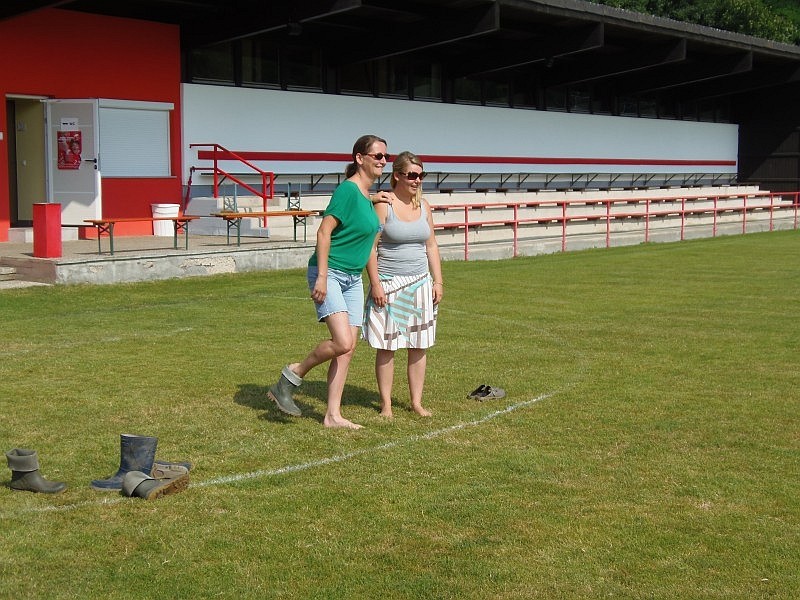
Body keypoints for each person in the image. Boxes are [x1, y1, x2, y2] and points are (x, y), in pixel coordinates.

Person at [268, 134, 388, 429]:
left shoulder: (365, 196)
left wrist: (375, 282)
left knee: (348, 350)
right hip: (331, 272)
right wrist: (321, 276)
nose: (383, 161)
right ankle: (292, 375)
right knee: (342, 341)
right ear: (360, 158)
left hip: (353, 279)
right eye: (378, 156)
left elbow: (369, 246)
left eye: (386, 156)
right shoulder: (347, 191)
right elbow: (324, 233)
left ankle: (332, 415)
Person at [363, 151, 443, 417]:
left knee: (419, 344)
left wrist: (438, 281)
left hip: (421, 283)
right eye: (412, 175)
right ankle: (386, 404)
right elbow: (370, 249)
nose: (417, 180)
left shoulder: (425, 206)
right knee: (387, 345)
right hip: (389, 284)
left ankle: (416, 402)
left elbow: (431, 245)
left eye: (420, 175)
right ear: (397, 175)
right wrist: (375, 284)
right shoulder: (384, 205)